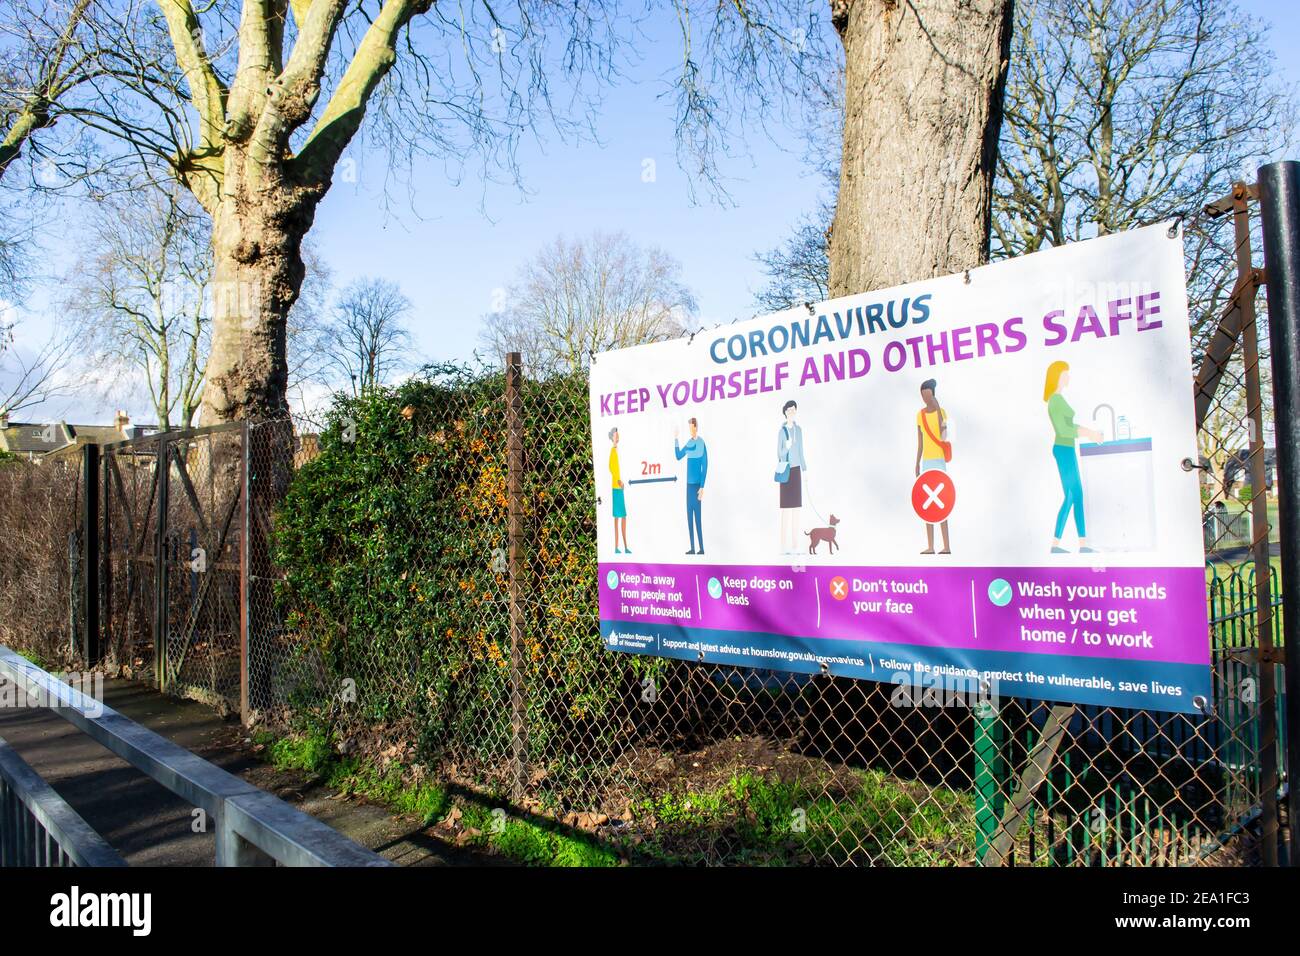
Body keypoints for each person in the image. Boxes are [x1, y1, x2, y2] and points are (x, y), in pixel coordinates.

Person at [1043, 360, 1103, 553]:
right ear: (1058, 376)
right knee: (1071, 495)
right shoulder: (1055, 400)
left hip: (1066, 448)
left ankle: (1080, 544)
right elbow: (1064, 429)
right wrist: (1088, 433)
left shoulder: (1058, 398)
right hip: (1063, 448)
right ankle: (1058, 544)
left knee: (1075, 495)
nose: (1068, 376)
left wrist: (1087, 432)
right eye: (1065, 373)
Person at [914, 379, 951, 554]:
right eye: (922, 395)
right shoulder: (919, 415)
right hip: (927, 462)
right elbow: (920, 441)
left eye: (927, 394)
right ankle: (930, 546)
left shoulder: (942, 412)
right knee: (927, 507)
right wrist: (917, 462)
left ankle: (946, 546)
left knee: (942, 503)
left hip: (939, 461)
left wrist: (938, 410)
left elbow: (944, 436)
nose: (924, 398)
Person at [776, 400, 808, 555]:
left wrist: (805, 470)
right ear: (785, 412)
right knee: (785, 511)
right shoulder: (782, 431)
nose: (791, 412)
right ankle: (783, 546)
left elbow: (801, 451)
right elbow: (779, 454)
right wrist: (786, 448)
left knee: (796, 510)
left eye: (794, 409)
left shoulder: (799, 430)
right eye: (789, 410)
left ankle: (795, 546)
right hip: (786, 471)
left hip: (796, 472)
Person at [674, 418, 708, 554]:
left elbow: (705, 465)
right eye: (689, 428)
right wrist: (675, 438)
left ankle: (701, 548)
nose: (690, 430)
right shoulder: (689, 443)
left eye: (691, 427)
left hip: (696, 487)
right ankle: (693, 548)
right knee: (689, 516)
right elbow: (678, 456)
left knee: (697, 517)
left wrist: (702, 486)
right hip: (688, 486)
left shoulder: (701, 443)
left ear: (696, 427)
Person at [608, 427, 630, 554]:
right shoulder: (613, 451)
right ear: (612, 438)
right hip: (617, 487)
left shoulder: (617, 451)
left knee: (620, 517)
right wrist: (618, 481)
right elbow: (611, 468)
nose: (617, 436)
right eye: (615, 435)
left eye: (618, 434)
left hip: (618, 487)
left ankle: (623, 546)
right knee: (619, 517)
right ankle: (618, 547)